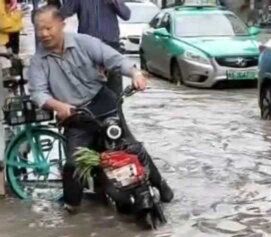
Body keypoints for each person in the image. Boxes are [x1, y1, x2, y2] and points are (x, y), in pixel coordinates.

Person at [28, 6, 173, 213]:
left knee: (132, 147)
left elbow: (115, 59)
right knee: (73, 164)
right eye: (39, 29)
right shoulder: (38, 62)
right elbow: (38, 93)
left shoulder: (84, 42)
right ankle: (72, 206)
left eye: (48, 28)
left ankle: (161, 186)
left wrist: (135, 74)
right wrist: (59, 106)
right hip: (74, 114)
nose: (44, 34)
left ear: (62, 24)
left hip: (102, 102)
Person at [60, 0, 131, 95]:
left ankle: (116, 107)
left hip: (110, 44)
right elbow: (64, 12)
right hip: (88, 46)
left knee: (114, 85)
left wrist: (115, 2)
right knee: (89, 84)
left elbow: (126, 15)